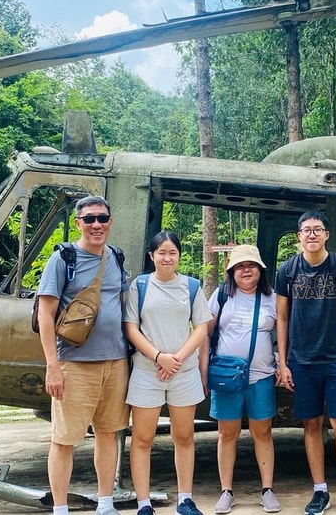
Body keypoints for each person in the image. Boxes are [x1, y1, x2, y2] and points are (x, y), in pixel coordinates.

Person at [275, 210, 336, 515]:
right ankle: (320, 491)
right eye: (306, 230)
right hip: (302, 362)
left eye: (317, 230)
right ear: (299, 237)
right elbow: (281, 317)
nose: (312, 235)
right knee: (311, 424)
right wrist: (283, 362)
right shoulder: (288, 271)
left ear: (326, 235)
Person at [36, 196, 129, 515]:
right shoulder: (63, 258)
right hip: (74, 363)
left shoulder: (115, 257)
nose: (96, 225)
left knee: (109, 433)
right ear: (78, 224)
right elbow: (45, 314)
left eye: (102, 218)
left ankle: (105, 502)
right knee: (64, 439)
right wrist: (52, 366)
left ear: (110, 221)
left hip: (115, 362)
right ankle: (60, 508)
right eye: (88, 219)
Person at [124, 230, 213, 515]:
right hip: (147, 371)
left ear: (178, 256)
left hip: (183, 372)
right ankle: (143, 503)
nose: (166, 257)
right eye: (161, 252)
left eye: (172, 252)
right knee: (142, 439)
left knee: (184, 437)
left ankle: (185, 499)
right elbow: (130, 328)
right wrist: (159, 357)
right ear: (152, 256)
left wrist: (176, 359)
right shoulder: (139, 286)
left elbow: (201, 327)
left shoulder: (191, 287)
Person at [206, 245, 281, 514]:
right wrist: (203, 369)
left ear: (260, 270)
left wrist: (283, 364)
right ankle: (226, 490)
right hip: (226, 377)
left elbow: (283, 335)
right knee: (227, 434)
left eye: (251, 265)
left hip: (261, 376)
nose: (246, 270)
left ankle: (267, 490)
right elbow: (205, 331)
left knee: (263, 433)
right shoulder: (222, 296)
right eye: (239, 266)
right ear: (231, 272)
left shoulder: (273, 298)